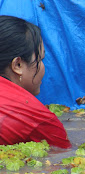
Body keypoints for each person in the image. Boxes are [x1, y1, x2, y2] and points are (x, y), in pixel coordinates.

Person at [0, 15, 71, 149]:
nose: (43, 67)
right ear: (18, 65)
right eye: (40, 59)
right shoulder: (37, 118)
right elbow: (64, 153)